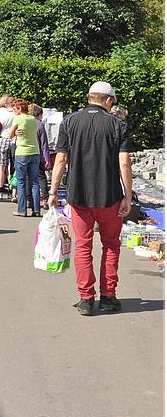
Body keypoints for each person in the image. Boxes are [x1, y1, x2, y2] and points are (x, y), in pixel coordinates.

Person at [48, 82, 133, 316]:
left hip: (79, 196)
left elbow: (61, 160)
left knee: (83, 246)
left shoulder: (70, 122)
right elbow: (124, 163)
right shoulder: (118, 124)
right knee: (111, 245)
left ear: (89, 97)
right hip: (110, 197)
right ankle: (108, 296)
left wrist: (53, 192)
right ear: (108, 100)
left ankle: (86, 298)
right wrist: (127, 195)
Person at [8, 99, 40, 217]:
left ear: (20, 109)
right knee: (35, 182)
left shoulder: (18, 118)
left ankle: (22, 210)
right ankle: (36, 210)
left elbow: (10, 135)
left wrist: (15, 132)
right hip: (35, 151)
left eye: (15, 109)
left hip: (22, 152)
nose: (14, 112)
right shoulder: (33, 119)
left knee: (21, 182)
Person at [29, 104, 51, 209]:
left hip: (26, 153)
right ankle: (46, 200)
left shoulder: (26, 123)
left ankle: (29, 200)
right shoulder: (40, 125)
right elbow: (44, 144)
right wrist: (47, 158)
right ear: (40, 114)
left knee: (28, 178)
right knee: (41, 178)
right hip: (38, 155)